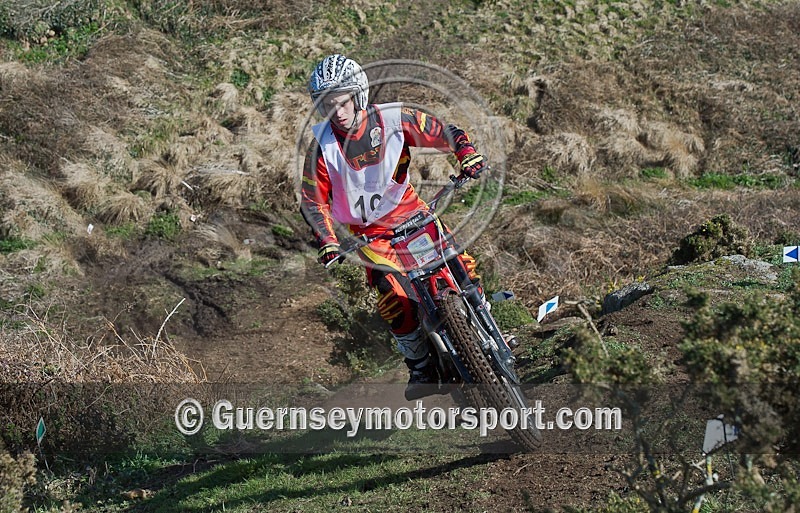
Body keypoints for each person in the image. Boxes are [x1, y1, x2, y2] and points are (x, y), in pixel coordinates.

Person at [300, 54, 487, 400]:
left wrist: (466, 153)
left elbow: (441, 130)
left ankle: (489, 328)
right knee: (395, 297)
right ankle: (420, 365)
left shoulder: (392, 119)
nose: (337, 111)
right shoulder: (321, 150)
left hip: (414, 213)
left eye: (342, 101)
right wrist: (327, 240)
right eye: (328, 105)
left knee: (461, 266)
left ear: (359, 95)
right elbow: (313, 202)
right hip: (370, 237)